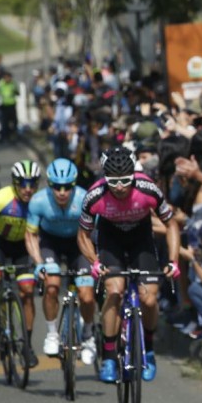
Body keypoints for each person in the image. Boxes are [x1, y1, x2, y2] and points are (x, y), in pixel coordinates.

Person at [77, 146, 181, 383]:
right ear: (105, 179)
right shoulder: (94, 195)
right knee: (114, 291)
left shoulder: (148, 189)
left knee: (149, 299)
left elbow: (171, 224)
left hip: (140, 240)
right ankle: (110, 357)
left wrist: (173, 261)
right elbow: (83, 235)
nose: (121, 187)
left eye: (126, 180)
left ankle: (150, 349)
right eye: (114, 182)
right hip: (110, 240)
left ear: (134, 175)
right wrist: (94, 262)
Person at [25, 158, 97, 364]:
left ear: (74, 185)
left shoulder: (85, 200)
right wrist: (38, 262)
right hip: (51, 243)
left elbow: (97, 232)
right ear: (50, 185)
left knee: (86, 295)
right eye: (57, 187)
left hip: (79, 243)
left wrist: (95, 259)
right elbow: (30, 235)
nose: (62, 192)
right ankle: (52, 334)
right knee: (52, 285)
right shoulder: (38, 201)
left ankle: (89, 336)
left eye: (67, 187)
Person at [0, 160, 41, 368]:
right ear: (14, 183)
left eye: (32, 184)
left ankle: (27, 345)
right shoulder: (1, 198)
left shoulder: (38, 202)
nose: (28, 189)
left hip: (23, 247)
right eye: (23, 184)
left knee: (27, 290)